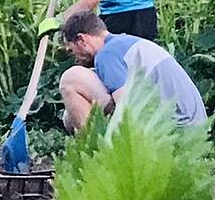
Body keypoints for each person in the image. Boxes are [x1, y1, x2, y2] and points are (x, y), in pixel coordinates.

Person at [57, 10, 206, 130]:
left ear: (82, 39)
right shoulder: (123, 43)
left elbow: (125, 107)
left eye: (72, 50)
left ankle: (94, 153)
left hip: (176, 126)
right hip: (193, 124)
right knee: (69, 117)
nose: (75, 57)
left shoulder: (107, 55)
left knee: (71, 79)